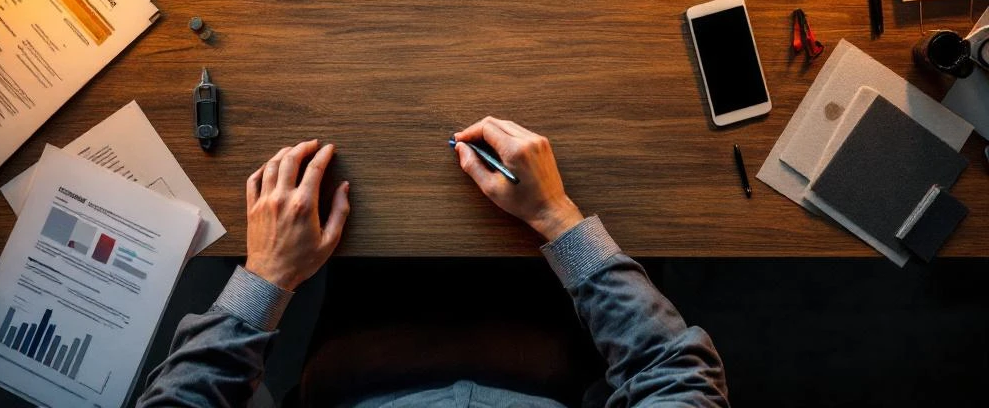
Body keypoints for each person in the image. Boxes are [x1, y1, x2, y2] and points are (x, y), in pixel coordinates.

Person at [136, 117, 729, 408]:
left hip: (355, 363)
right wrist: (557, 219)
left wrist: (266, 274)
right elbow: (675, 378)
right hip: (542, 360)